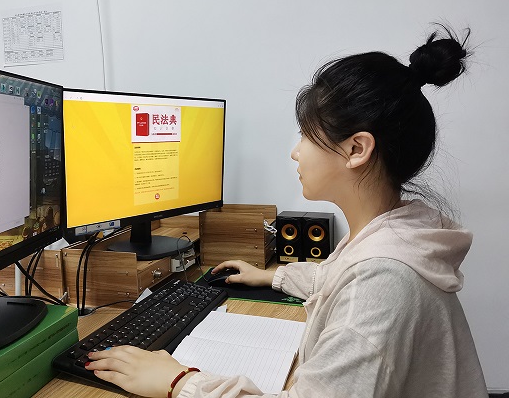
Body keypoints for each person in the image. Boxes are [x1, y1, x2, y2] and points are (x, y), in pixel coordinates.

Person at [86, 25, 488, 398]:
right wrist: (272, 276)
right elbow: (337, 279)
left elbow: (363, 291)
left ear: (356, 149)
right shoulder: (395, 231)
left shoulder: (383, 281)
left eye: (306, 135)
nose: (296, 152)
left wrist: (180, 382)